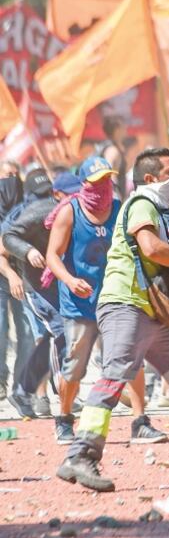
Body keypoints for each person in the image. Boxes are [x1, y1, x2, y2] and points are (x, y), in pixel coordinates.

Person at [56, 147, 169, 493]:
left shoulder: (166, 210)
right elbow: (151, 248)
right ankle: (80, 455)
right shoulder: (141, 203)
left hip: (152, 312)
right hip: (126, 303)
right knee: (115, 373)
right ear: (150, 178)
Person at [44, 157, 166, 444]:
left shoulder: (122, 209)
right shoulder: (70, 212)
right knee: (75, 364)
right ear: (84, 184)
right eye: (97, 181)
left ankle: (139, 421)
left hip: (116, 298)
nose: (103, 186)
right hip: (79, 303)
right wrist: (70, 280)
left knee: (130, 358)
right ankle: (64, 419)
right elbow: (52, 255)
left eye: (107, 180)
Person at [2, 168, 67, 419]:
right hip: (31, 287)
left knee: (53, 337)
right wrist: (13, 274)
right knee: (51, 335)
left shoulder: (61, 209)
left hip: (57, 285)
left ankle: (26, 391)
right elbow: (3, 248)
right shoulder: (22, 215)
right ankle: (47, 395)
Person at [0, 172, 31, 403]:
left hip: (24, 277)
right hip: (6, 277)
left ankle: (21, 387)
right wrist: (10, 274)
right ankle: (1, 381)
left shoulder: (24, 213)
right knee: (1, 330)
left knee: (27, 333)